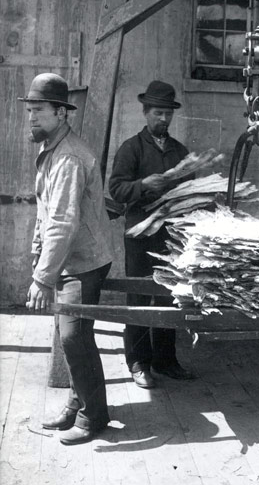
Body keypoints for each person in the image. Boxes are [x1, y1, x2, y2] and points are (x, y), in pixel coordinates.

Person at [20, 73, 113, 445]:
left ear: (61, 113)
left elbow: (62, 222)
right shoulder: (51, 150)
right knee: (70, 335)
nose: (31, 118)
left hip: (84, 261)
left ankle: (94, 417)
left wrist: (43, 279)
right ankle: (77, 403)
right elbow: (45, 213)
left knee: (75, 338)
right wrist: (37, 256)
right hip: (68, 260)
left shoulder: (69, 158)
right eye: (29, 110)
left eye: (38, 111)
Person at [109, 80, 194, 389]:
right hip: (141, 236)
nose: (163, 119)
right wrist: (144, 186)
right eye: (158, 113)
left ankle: (166, 359)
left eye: (168, 114)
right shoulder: (131, 148)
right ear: (145, 112)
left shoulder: (179, 151)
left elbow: (190, 190)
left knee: (171, 296)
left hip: (171, 237)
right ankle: (139, 361)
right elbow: (116, 189)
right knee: (140, 296)